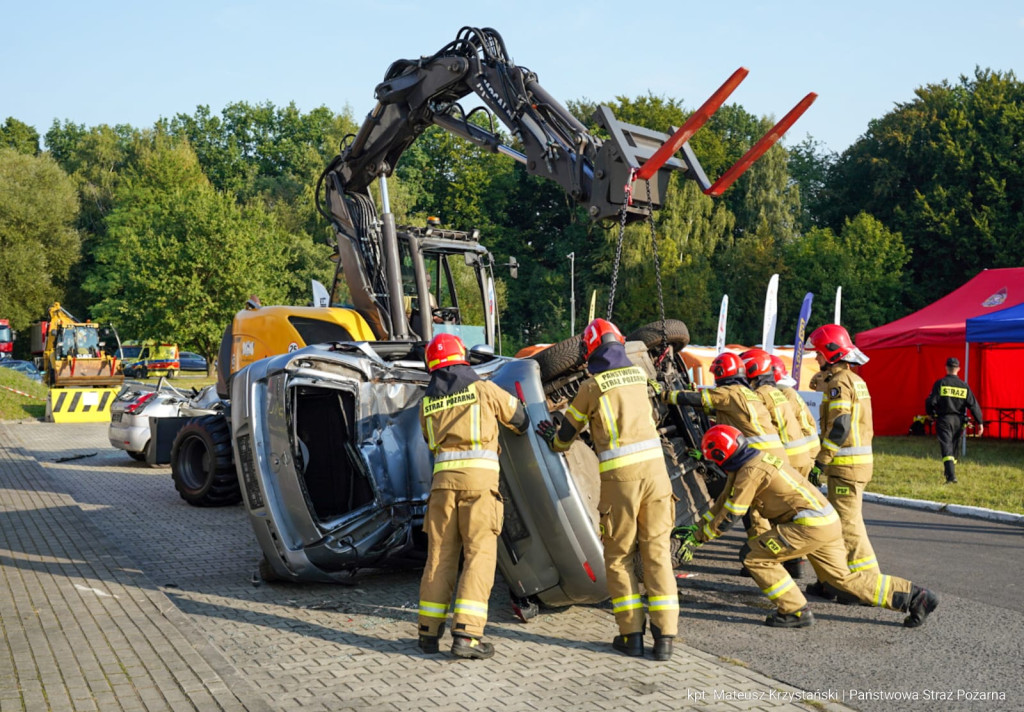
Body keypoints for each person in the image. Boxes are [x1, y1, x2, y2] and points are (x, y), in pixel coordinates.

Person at [677, 424, 939, 629]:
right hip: (825, 520)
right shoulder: (753, 459)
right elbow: (723, 500)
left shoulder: (750, 472)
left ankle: (794, 611)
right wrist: (699, 526)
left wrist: (698, 539)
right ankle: (916, 596)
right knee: (841, 580)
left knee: (755, 557)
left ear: (724, 455)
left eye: (716, 459)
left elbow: (731, 514)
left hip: (807, 526)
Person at [536, 318, 679, 661]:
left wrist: (551, 437)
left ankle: (631, 635)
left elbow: (565, 437)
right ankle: (665, 639)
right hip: (658, 477)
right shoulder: (640, 377)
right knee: (657, 554)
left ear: (591, 349)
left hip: (621, 483)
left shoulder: (591, 387)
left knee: (619, 558)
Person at [416, 333, 529, 659]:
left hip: (441, 489)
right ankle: (466, 635)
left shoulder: (427, 402)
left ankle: (427, 632)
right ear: (462, 359)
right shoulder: (483, 389)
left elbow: (429, 441)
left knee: (439, 557)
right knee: (479, 556)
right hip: (479, 489)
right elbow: (520, 420)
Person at [804, 324, 879, 601]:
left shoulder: (840, 383)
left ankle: (867, 588)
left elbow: (840, 426)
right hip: (853, 465)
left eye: (819, 354)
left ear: (831, 352)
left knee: (848, 527)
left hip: (846, 467)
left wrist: (821, 462)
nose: (816, 359)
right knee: (838, 525)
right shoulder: (853, 379)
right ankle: (833, 581)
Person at [926, 357, 984, 484]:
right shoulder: (964, 386)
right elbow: (973, 405)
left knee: (946, 446)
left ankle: (951, 477)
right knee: (954, 447)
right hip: (959, 421)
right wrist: (980, 422)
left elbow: (931, 401)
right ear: (958, 369)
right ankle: (950, 471)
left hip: (944, 419)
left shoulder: (940, 383)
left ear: (946, 367)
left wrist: (930, 413)